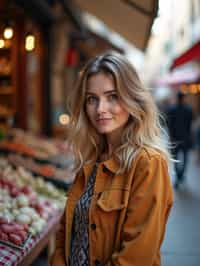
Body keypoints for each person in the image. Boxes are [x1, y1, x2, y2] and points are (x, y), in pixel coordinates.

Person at [50, 51, 173, 266]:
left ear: (131, 98)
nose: (100, 109)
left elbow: (136, 256)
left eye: (112, 96)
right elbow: (66, 233)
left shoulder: (148, 163)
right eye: (92, 99)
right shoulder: (90, 160)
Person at [166, 92, 193, 189]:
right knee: (185, 158)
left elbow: (169, 125)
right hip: (186, 138)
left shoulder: (172, 109)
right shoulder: (188, 110)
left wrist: (170, 137)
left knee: (176, 158)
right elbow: (190, 125)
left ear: (177, 98)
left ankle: (178, 176)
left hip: (175, 138)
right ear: (184, 98)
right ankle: (181, 175)